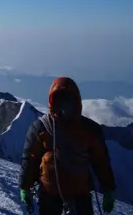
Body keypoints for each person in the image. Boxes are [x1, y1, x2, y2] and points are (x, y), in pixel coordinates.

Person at [19, 77, 116, 215]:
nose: (64, 106)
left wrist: (108, 188)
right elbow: (31, 159)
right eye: (60, 100)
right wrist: (25, 186)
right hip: (52, 197)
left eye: (68, 100)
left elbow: (101, 161)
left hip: (77, 197)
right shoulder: (42, 128)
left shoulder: (90, 130)